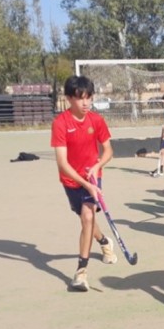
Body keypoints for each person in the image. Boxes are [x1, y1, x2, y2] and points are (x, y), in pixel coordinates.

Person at [50, 75, 118, 292]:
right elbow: (62, 163)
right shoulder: (60, 123)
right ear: (69, 98)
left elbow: (108, 151)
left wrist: (97, 168)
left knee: (88, 217)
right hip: (71, 180)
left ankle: (81, 272)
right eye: (81, 98)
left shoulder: (96, 120)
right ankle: (105, 242)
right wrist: (84, 184)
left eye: (89, 97)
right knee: (85, 219)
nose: (86, 103)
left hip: (92, 176)